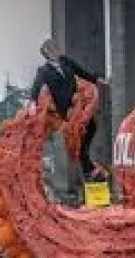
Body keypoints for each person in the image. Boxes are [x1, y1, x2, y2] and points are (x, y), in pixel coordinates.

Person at [28, 38, 108, 181]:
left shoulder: (66, 61)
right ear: (46, 53)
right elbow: (36, 86)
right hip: (66, 111)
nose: (55, 49)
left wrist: (96, 80)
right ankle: (88, 169)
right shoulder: (44, 71)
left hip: (77, 105)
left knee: (92, 127)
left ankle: (88, 167)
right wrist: (33, 102)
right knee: (80, 136)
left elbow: (82, 72)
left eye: (55, 46)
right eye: (50, 48)